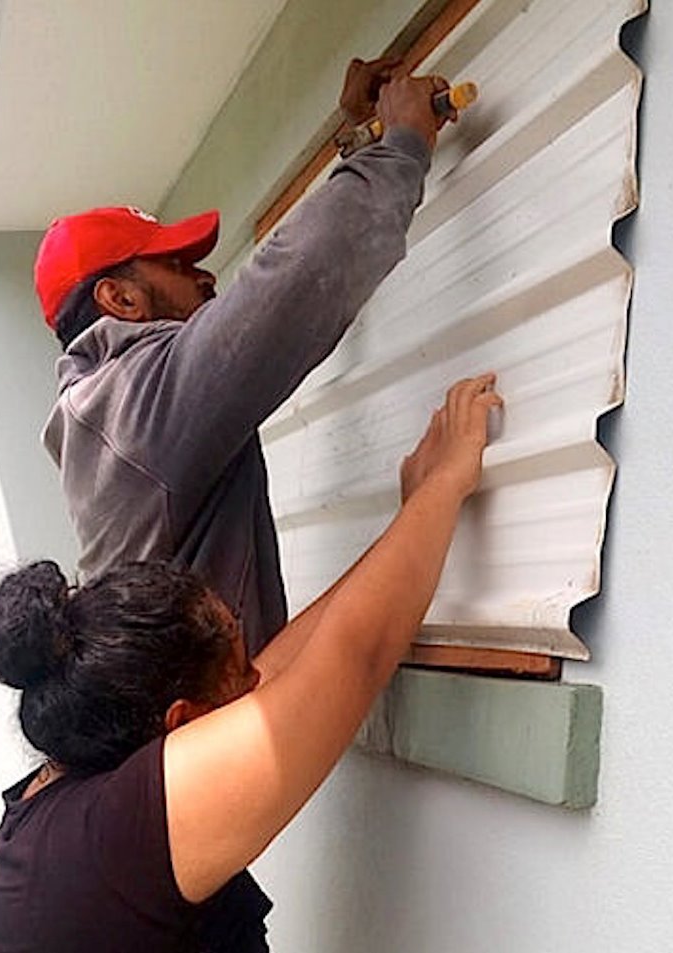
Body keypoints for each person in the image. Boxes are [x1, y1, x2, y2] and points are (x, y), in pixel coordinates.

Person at [0, 376, 501, 953]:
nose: (260, 683)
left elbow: (305, 656)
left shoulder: (82, 789)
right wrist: (445, 484)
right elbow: (354, 658)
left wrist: (411, 515)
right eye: (240, 675)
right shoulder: (120, 837)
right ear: (180, 722)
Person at [36, 58, 455, 661]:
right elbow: (297, 278)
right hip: (199, 737)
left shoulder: (109, 407)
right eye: (177, 266)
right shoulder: (134, 405)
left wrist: (356, 139)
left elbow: (268, 310)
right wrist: (404, 143)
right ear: (120, 298)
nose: (205, 276)